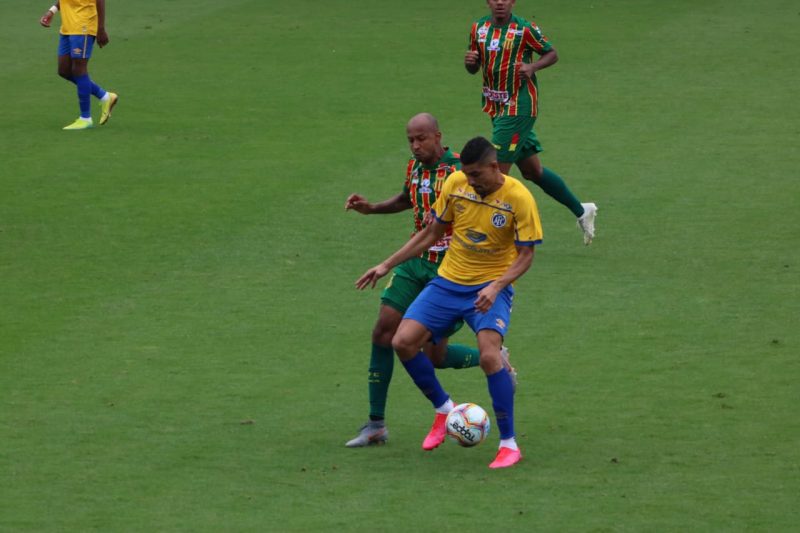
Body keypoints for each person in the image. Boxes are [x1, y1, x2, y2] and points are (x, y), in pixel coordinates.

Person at [356, 136, 542, 469]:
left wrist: (497, 286)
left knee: (488, 356)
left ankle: (509, 444)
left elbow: (527, 255)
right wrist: (386, 264)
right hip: (448, 281)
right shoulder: (456, 184)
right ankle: (443, 409)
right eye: (467, 175)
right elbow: (430, 234)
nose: (470, 181)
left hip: (488, 287)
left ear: (492, 165)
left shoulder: (518, 197)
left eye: (476, 174)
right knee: (402, 341)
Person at [464, 0, 597, 244]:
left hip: (520, 106)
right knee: (532, 171)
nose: (500, 3)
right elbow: (474, 66)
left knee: (495, 172)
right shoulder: (478, 28)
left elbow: (552, 53)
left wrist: (532, 66)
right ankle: (582, 210)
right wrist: (470, 63)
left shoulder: (524, 29)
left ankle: (493, 234)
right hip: (497, 106)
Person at [40, 1, 118, 130]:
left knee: (79, 69)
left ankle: (85, 118)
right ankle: (105, 97)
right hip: (67, 27)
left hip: (84, 26)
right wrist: (52, 11)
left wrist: (101, 28)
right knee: (64, 70)